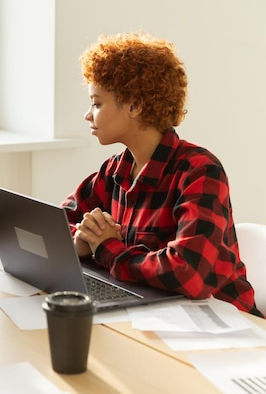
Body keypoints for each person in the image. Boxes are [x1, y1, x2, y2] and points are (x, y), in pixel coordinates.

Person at [61, 32, 263, 317]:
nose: (88, 114)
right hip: (159, 314)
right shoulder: (114, 171)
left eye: (97, 103)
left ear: (134, 105)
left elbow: (188, 274)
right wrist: (81, 241)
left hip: (222, 324)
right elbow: (56, 223)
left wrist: (107, 248)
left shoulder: (200, 172)